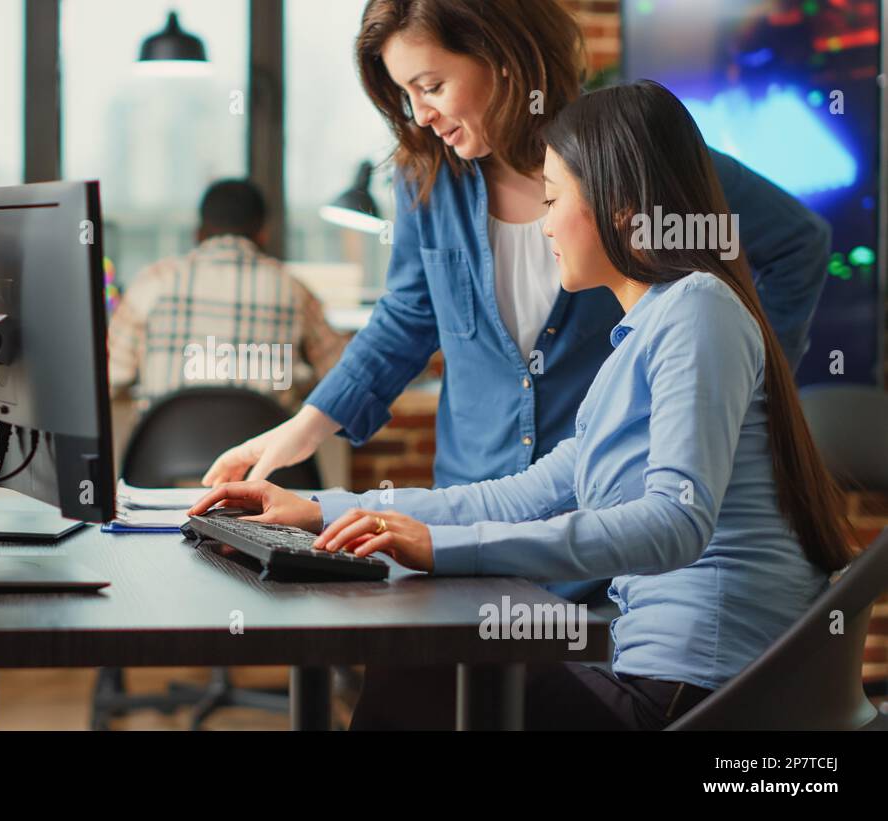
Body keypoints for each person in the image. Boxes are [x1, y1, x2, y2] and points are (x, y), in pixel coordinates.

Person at [189, 80, 857, 730]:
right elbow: (523, 493)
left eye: (553, 198)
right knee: (418, 657)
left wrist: (445, 549)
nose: (541, 226)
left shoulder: (698, 311)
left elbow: (675, 523)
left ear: (622, 208)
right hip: (655, 675)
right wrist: (321, 510)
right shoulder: (638, 339)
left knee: (419, 663)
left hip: (694, 694)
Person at [202, 0, 831, 608]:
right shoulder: (427, 177)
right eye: (405, 95)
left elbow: (797, 244)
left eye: (433, 84)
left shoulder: (621, 158)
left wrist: (730, 388)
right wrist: (300, 434)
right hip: (475, 505)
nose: (420, 115)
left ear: (499, 56)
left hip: (607, 528)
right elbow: (405, 319)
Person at [107, 179, 347, 409]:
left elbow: (108, 376)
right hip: (264, 451)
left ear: (198, 234)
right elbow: (341, 372)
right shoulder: (292, 289)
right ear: (263, 233)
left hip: (165, 450)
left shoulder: (153, 283)